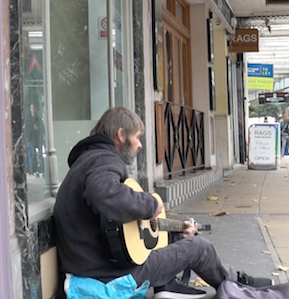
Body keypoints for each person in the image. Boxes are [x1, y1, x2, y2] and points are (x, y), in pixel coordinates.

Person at [53, 107, 272, 299]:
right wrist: (150, 206)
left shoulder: (88, 160)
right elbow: (104, 193)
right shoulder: (104, 159)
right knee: (199, 247)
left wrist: (174, 232)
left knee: (178, 236)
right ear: (121, 135)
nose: (139, 145)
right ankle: (238, 284)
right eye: (137, 137)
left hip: (93, 265)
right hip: (106, 276)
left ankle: (167, 285)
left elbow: (112, 218)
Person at [25, 103, 45, 175]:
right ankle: (33, 169)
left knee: (40, 154)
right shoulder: (28, 119)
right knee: (32, 155)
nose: (33, 110)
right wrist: (28, 140)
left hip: (38, 139)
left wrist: (38, 129)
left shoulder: (38, 119)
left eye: (34, 108)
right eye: (31, 108)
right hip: (32, 139)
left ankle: (41, 169)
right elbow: (27, 130)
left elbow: (42, 130)